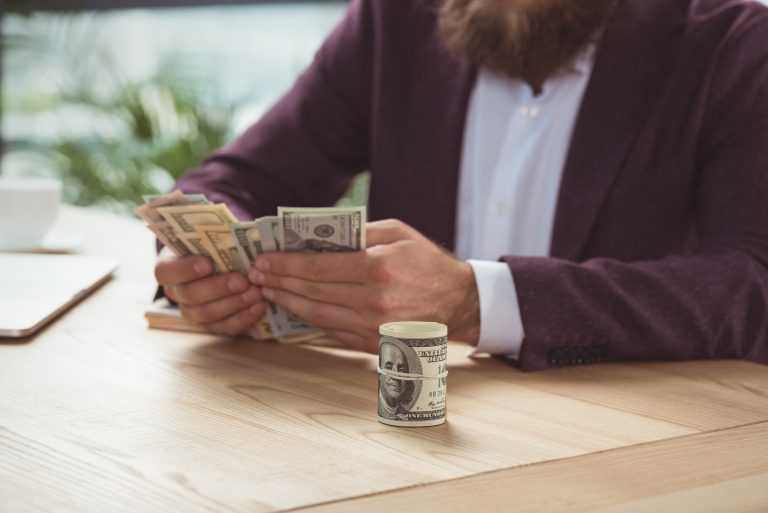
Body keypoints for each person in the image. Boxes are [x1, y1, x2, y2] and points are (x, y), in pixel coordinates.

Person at [154, 0, 768, 371]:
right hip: (407, 446)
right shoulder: (393, 23)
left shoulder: (734, 46)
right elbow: (236, 179)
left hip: (637, 457)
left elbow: (750, 283)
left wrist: (475, 302)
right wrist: (199, 263)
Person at [378, 342, 414, 418]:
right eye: (388, 367)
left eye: (401, 369)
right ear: (379, 374)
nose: (396, 376)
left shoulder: (405, 415)